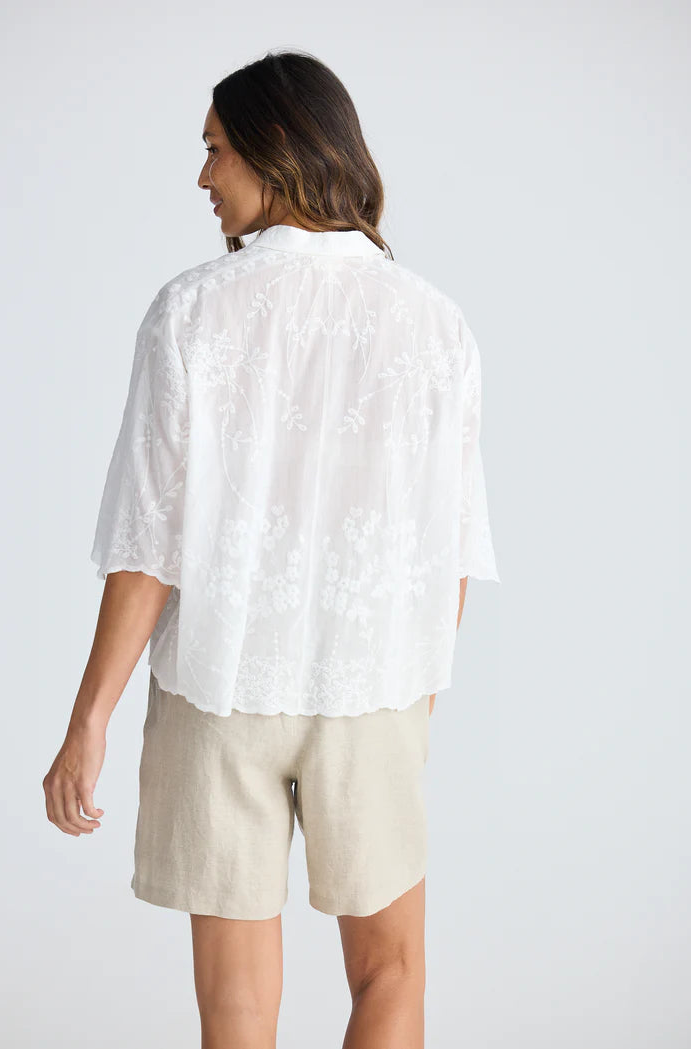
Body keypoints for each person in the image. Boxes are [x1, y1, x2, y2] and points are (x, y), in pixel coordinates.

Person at [42, 48, 500, 1049]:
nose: (202, 175)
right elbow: (451, 545)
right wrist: (409, 701)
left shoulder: (190, 310)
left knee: (236, 1007)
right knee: (390, 973)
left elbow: (148, 541)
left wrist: (89, 722)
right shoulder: (434, 323)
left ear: (274, 146)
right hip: (372, 689)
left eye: (215, 149)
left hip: (218, 689)